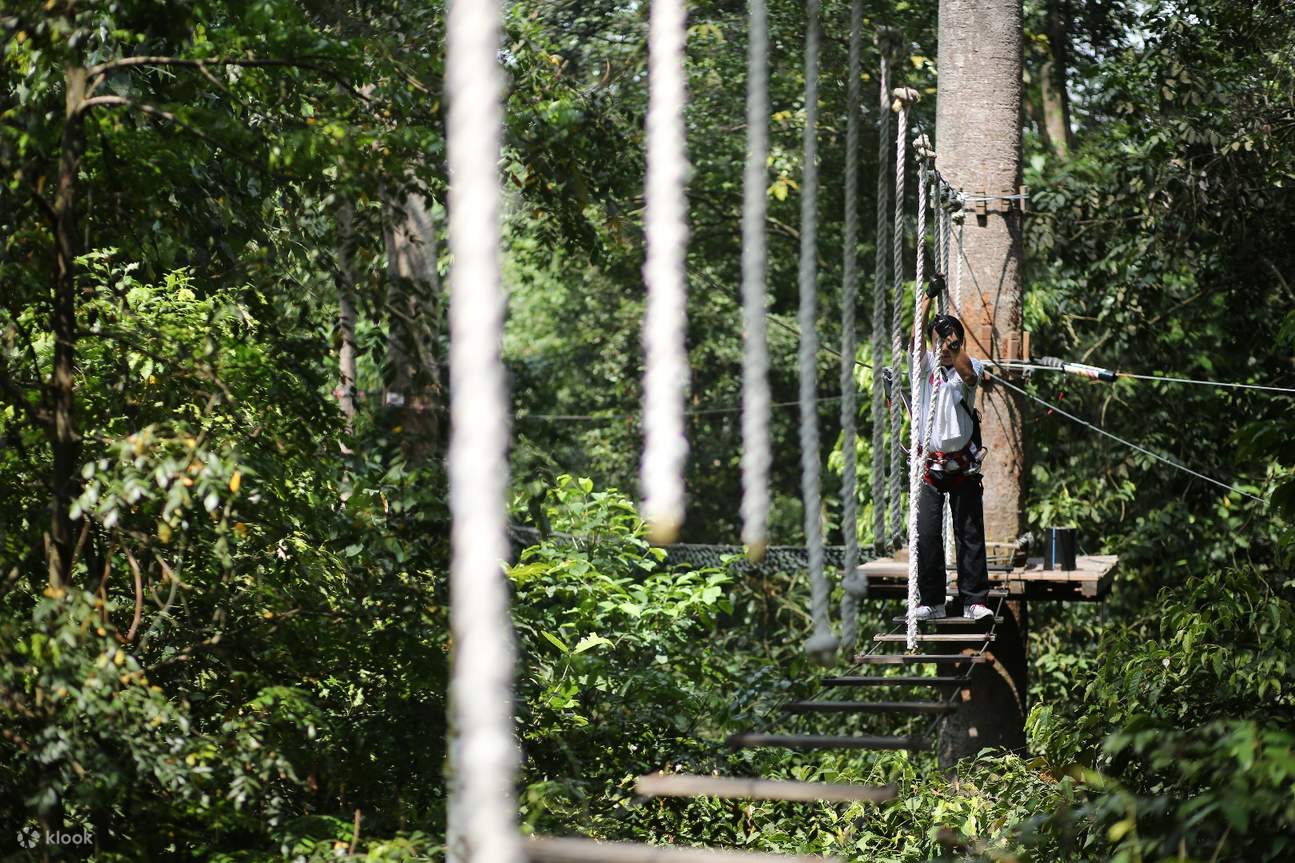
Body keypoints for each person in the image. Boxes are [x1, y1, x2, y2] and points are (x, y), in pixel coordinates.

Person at [909, 292, 993, 622]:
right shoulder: (924, 367)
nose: (943, 347)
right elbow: (916, 339)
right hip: (930, 465)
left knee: (969, 533)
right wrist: (928, 297)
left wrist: (955, 345)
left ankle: (975, 601)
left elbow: (971, 377)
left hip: (962, 466)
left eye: (949, 342)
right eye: (939, 341)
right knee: (927, 534)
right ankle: (933, 601)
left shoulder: (967, 369)